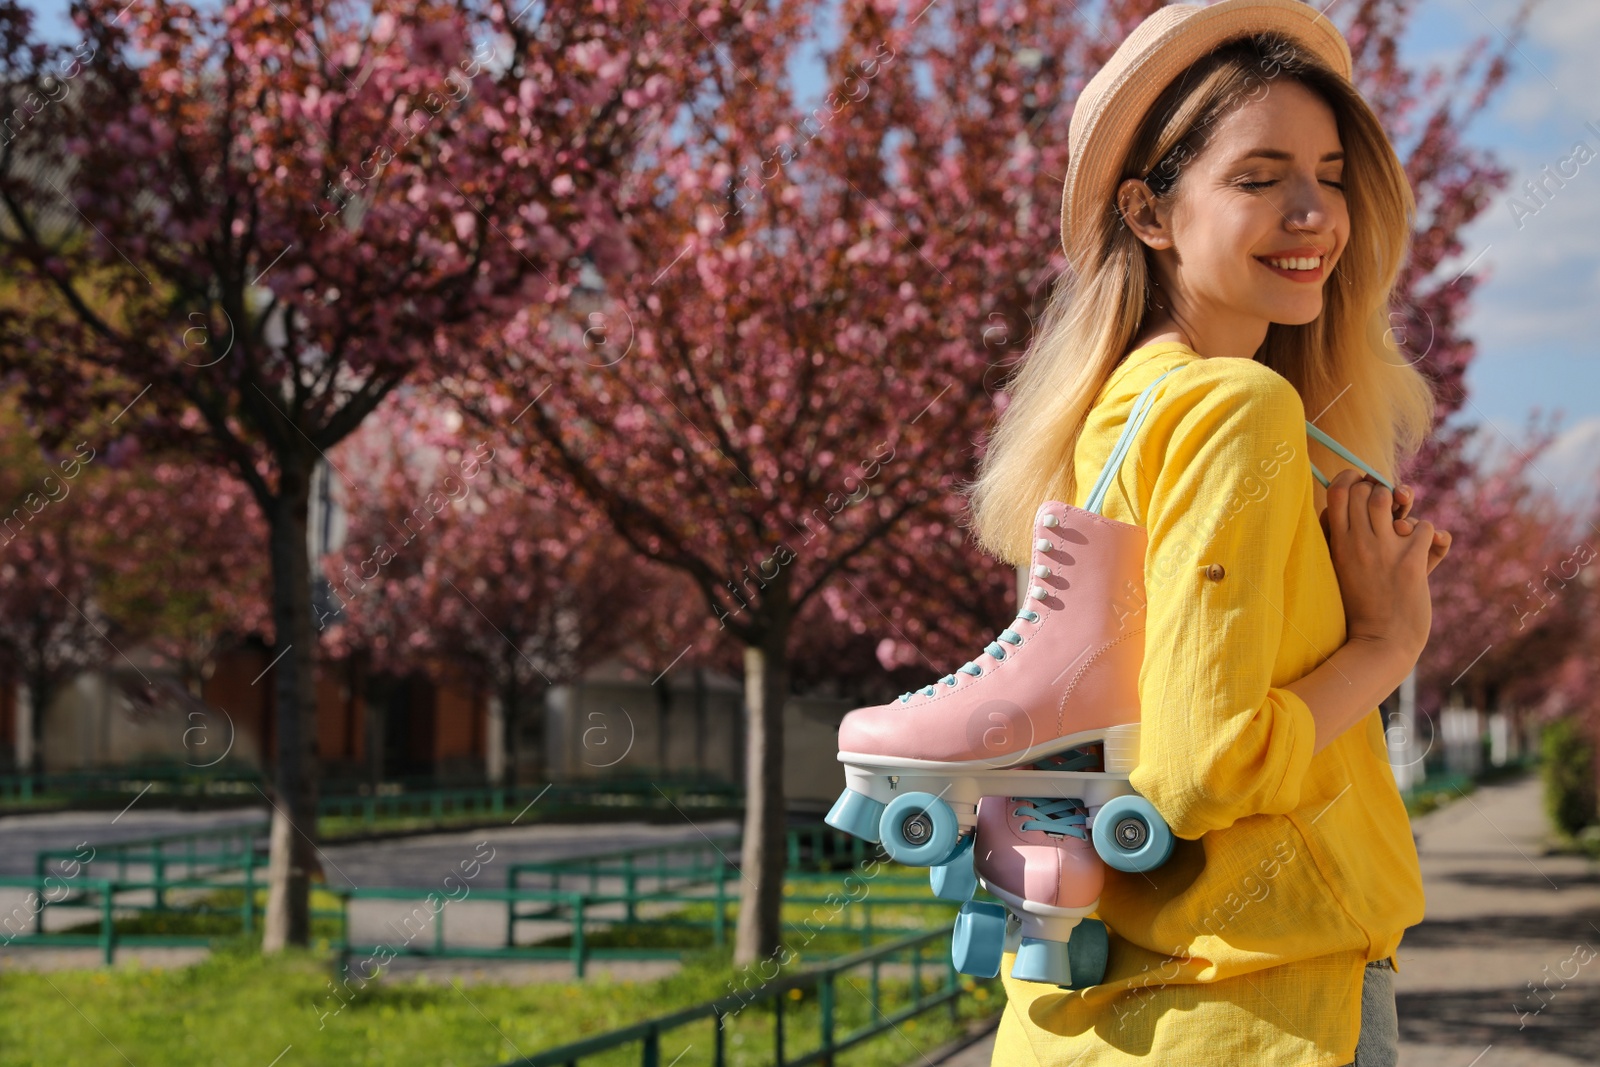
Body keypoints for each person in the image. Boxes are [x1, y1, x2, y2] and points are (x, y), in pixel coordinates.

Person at [964, 1, 1454, 1064]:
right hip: (1258, 1003)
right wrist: (1384, 644)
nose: (1313, 213)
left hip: (1092, 1016)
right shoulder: (1236, 408)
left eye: (1329, 176)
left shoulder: (1116, 418)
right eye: (1257, 177)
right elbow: (1205, 768)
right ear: (1148, 212)